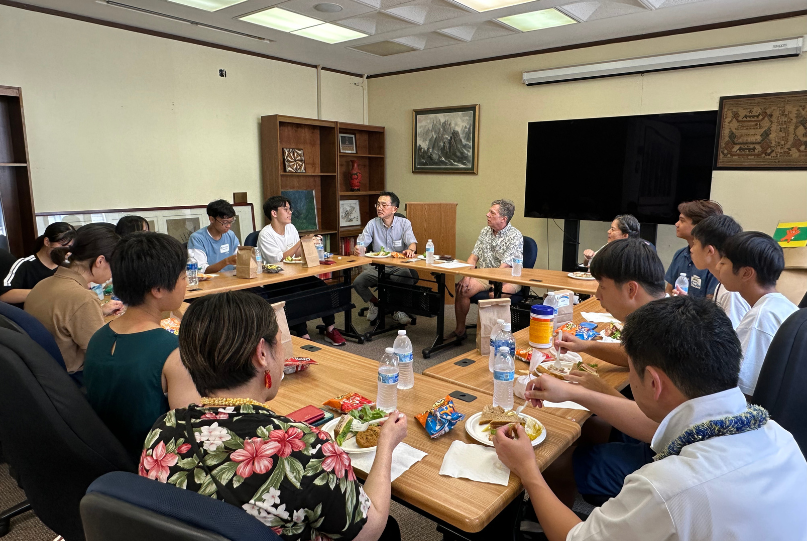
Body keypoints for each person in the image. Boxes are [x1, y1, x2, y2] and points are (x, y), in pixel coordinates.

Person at [495, 296, 807, 541]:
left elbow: (573, 537)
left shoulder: (668, 489)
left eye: (632, 372)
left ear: (655, 383)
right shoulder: (782, 439)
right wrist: (578, 393)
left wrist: (528, 470)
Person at [141, 291, 407, 541]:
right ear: (262, 354)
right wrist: (385, 446)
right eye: (279, 343)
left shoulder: (163, 431)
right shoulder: (307, 450)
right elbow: (369, 530)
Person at [543, 238, 667, 507]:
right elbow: (631, 357)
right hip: (667, 439)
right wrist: (585, 345)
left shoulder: (659, 335)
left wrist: (598, 392)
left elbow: (662, 430)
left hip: (667, 459)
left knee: (554, 461)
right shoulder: (660, 317)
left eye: (602, 285)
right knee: (586, 427)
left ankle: (554, 523)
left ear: (631, 289)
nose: (597, 295)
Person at [84, 232, 200, 461]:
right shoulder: (173, 353)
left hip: (107, 460)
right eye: (184, 276)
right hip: (151, 468)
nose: (186, 282)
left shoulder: (98, 337)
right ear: (158, 289)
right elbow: (191, 433)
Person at [25, 223, 124, 374]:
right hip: (74, 379)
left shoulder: (43, 284)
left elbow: (64, 318)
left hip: (43, 373)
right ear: (100, 261)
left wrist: (99, 311)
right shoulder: (82, 298)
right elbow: (104, 355)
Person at [716, 231, 798, 396]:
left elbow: (742, 389)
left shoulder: (760, 318)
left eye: (723, 262)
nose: (717, 267)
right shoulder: (784, 306)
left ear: (746, 273)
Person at [258, 195, 345, 346]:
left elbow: (296, 254)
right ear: (274, 213)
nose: (290, 212)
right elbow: (279, 259)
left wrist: (309, 243)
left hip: (296, 274)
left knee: (322, 288)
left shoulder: (290, 228)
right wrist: (300, 241)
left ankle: (330, 328)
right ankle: (303, 334)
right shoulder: (266, 234)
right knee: (296, 295)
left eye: (289, 209)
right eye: (285, 209)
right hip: (277, 279)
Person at [451, 199, 523, 340]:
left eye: (492, 213)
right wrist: (466, 276)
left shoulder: (515, 236)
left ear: (503, 219)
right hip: (484, 274)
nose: (487, 214)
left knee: (493, 295)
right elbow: (473, 258)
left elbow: (505, 266)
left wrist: (493, 284)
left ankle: (491, 335)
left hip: (508, 277)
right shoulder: (485, 232)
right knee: (462, 288)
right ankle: (460, 330)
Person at [352, 192, 418, 326]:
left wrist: (411, 250)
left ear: (394, 209)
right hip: (377, 267)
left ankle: (398, 309)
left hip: (398, 266)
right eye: (378, 204)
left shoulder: (404, 223)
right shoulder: (372, 223)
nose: (379, 208)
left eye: (384, 205)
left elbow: (412, 243)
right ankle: (375, 304)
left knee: (406, 276)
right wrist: (359, 248)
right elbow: (362, 243)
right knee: (358, 283)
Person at [689, 215, 750, 327]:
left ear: (709, 250)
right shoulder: (722, 285)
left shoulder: (731, 292)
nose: (691, 250)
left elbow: (734, 339)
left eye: (695, 244)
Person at [0, 222, 76, 308]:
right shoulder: (24, 265)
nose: (66, 251)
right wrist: (44, 293)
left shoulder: (69, 267)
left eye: (69, 247)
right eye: (63, 245)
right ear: (47, 242)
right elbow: (3, 295)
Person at [665, 200, 723, 298]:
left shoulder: (714, 260)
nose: (677, 224)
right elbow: (669, 291)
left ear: (699, 226)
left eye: (682, 220)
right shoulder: (680, 254)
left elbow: (712, 304)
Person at [187, 200, 240, 273]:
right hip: (209, 281)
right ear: (211, 219)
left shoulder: (231, 235)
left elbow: (239, 259)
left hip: (230, 279)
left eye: (231, 222)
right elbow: (200, 270)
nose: (228, 226)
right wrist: (226, 261)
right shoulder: (197, 238)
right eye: (224, 222)